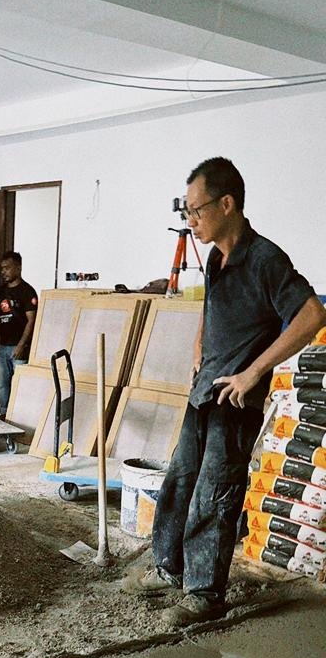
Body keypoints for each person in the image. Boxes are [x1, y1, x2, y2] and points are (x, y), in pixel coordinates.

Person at [127, 156, 326, 626]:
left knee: (214, 494)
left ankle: (204, 594)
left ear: (227, 203)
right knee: (179, 483)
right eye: (187, 213)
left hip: (235, 400)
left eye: (196, 211)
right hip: (205, 390)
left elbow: (312, 315)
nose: (191, 221)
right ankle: (168, 568)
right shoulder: (216, 256)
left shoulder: (265, 259)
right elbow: (213, 312)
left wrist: (254, 372)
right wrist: (199, 350)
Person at [0, 251, 38, 414]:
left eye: (7, 268)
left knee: (20, 384)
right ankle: (4, 414)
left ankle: (20, 415)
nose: (3, 271)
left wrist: (21, 345)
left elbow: (32, 320)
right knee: (2, 383)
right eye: (2, 268)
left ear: (18, 268)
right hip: (2, 345)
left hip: (19, 347)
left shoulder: (27, 291)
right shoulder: (1, 291)